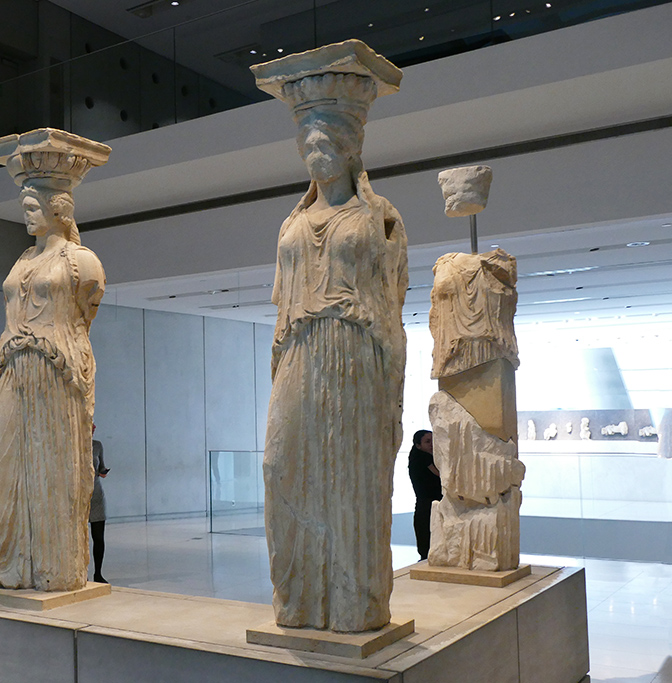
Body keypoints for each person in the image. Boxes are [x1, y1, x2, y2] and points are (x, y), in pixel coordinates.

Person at [255, 43, 408, 632]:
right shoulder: (291, 224)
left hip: (354, 358)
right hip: (298, 355)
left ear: (351, 147)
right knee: (280, 467)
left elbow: (391, 301)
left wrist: (390, 378)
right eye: (307, 143)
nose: (315, 151)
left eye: (326, 141)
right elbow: (281, 307)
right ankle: (299, 598)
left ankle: (352, 602)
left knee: (351, 480)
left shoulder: (379, 217)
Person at [0, 131, 108, 592]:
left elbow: (83, 317)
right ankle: (14, 561)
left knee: (53, 471)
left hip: (56, 373)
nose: (26, 212)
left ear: (59, 207)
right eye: (24, 205)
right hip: (15, 371)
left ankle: (53, 566)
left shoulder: (82, 261)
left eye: (34, 205)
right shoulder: (21, 261)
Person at [408, 429, 441, 561]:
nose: (432, 444)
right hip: (427, 506)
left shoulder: (417, 456)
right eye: (428, 441)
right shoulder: (422, 457)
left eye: (433, 441)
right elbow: (440, 473)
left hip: (426, 505)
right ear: (418, 445)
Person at [89, 424, 109, 583]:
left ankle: (98, 573)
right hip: (79, 495)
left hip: (96, 495)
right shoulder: (73, 444)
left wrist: (103, 471)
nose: (94, 427)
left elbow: (101, 468)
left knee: (99, 537)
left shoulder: (97, 445)